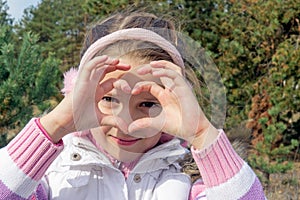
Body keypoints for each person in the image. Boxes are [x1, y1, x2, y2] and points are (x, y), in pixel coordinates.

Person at [0, 11, 266, 200]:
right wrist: (55, 125)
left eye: (147, 103)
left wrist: (201, 134)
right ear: (76, 95)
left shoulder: (188, 180)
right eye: (108, 99)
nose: (125, 124)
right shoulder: (50, 175)